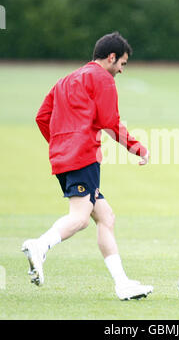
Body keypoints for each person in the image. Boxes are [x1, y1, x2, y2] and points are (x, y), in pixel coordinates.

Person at [22, 32, 153, 300]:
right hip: (83, 157)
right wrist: (138, 148)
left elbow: (42, 117)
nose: (121, 70)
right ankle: (39, 245)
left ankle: (122, 284)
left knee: (105, 217)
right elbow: (111, 122)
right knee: (80, 218)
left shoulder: (65, 80)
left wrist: (60, 143)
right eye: (122, 64)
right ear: (111, 57)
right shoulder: (102, 78)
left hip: (63, 158)